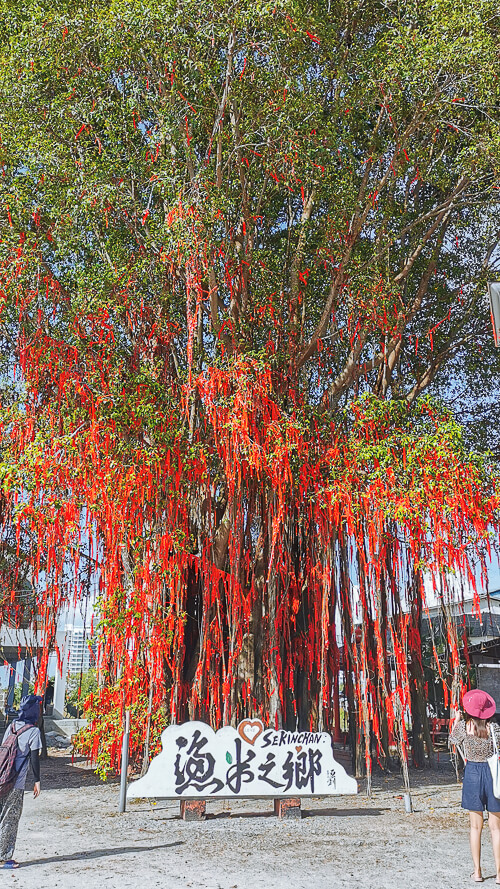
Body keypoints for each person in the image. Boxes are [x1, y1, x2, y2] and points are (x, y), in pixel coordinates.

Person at [450, 688, 500, 883]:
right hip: (492, 773)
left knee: (475, 827)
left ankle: (477, 871)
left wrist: (456, 720)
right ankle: (499, 874)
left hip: (472, 774)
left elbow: (452, 740)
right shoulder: (494, 728)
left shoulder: (464, 726)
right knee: (496, 828)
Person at [0, 694, 43, 869]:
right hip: (15, 782)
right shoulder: (33, 731)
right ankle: (4, 858)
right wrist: (37, 781)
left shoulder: (11, 726)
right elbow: (34, 759)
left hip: (2, 778)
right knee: (10, 819)